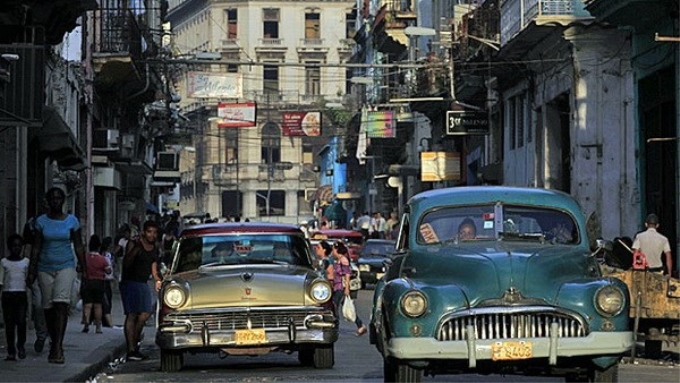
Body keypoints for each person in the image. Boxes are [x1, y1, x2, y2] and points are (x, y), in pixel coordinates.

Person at [27, 187, 86, 364]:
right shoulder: (41, 222)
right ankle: (53, 339)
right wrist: (32, 270)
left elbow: (78, 245)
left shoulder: (72, 221)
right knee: (48, 308)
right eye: (52, 199)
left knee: (61, 304)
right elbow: (36, 247)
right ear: (48, 201)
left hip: (65, 266)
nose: (55, 202)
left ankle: (58, 346)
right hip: (45, 268)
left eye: (58, 198)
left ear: (63, 201)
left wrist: (84, 266)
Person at [120, 220, 161, 361]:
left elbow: (154, 268)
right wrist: (137, 248)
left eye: (155, 232)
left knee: (145, 314)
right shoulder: (134, 244)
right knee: (132, 314)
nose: (152, 235)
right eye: (149, 232)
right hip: (130, 282)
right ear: (144, 232)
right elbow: (126, 263)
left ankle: (134, 342)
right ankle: (131, 350)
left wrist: (158, 280)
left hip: (142, 283)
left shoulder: (155, 248)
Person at [21, 213, 48, 354]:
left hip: (55, 269)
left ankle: (53, 336)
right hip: (37, 271)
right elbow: (27, 248)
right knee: (38, 304)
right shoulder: (32, 224)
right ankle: (42, 335)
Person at [1, 234, 29, 360]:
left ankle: (21, 346)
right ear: (9, 247)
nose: (16, 248)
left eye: (19, 246)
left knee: (22, 322)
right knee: (9, 324)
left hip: (21, 295)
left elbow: (28, 279)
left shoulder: (25, 262)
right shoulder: (4, 262)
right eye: (14, 246)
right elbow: (1, 280)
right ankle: (11, 350)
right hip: (8, 295)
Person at [331, 242, 366, 336]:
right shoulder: (338, 260)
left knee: (335, 305)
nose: (332, 251)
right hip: (336, 286)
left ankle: (335, 326)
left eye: (333, 249)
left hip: (341, 287)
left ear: (337, 250)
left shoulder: (343, 260)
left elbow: (347, 274)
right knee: (346, 306)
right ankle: (360, 326)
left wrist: (347, 288)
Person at [81, 235, 111, 334]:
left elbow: (79, 268)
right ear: (99, 247)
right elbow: (108, 271)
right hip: (99, 283)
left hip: (87, 282)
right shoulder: (102, 259)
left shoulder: (85, 258)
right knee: (98, 305)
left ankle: (86, 325)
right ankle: (98, 327)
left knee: (87, 305)